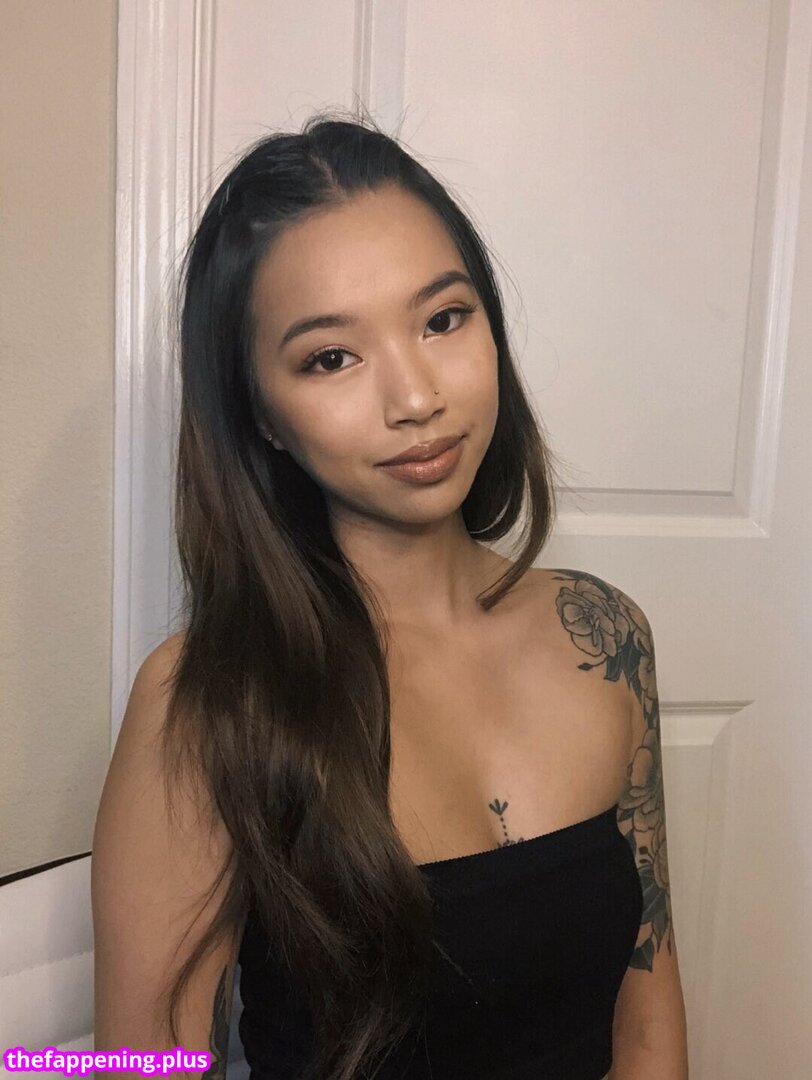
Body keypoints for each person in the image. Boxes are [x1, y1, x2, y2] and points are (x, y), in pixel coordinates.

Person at [91, 109, 689, 1080]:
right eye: (331, 357)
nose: (416, 398)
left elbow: (648, 1009)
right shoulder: (208, 703)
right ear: (262, 416)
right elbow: (139, 1063)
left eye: (443, 318)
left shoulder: (604, 637)